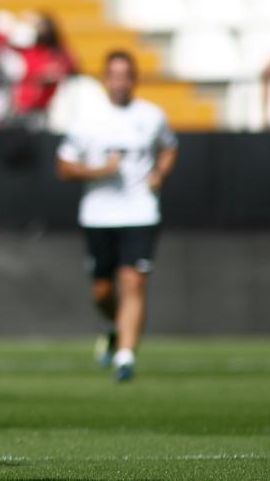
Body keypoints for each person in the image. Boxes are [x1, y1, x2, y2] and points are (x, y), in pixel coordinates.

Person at [56, 50, 178, 382]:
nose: (121, 82)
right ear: (105, 79)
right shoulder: (87, 120)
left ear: (133, 79)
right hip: (99, 215)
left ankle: (125, 357)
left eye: (126, 75)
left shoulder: (151, 116)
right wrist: (99, 171)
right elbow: (64, 166)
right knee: (102, 291)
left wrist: (159, 175)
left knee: (133, 281)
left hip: (140, 211)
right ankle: (113, 328)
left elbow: (169, 147)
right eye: (115, 75)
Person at [12, 12, 75, 129]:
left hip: (49, 108)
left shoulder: (59, 53)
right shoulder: (29, 52)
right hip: (25, 107)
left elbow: (69, 69)